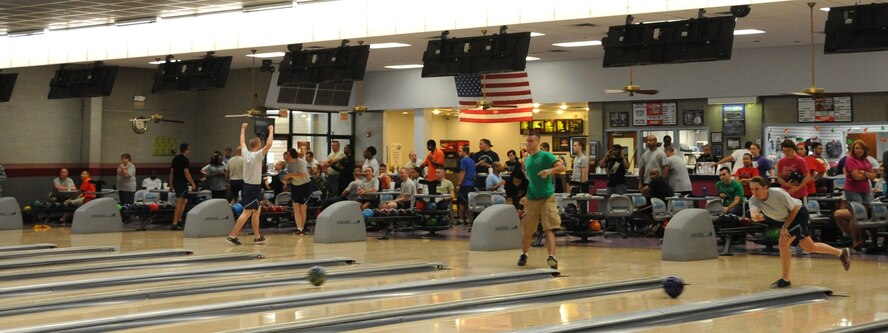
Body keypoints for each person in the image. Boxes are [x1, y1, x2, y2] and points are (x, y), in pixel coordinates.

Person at [747, 176, 850, 288]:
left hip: (799, 214)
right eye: (752, 189)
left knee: (783, 243)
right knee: (809, 247)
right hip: (785, 220)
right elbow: (754, 213)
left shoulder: (778, 193)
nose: (754, 192)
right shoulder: (753, 200)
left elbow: (795, 208)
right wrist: (756, 216)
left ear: (765, 187)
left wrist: (785, 227)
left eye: (757, 189)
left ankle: (785, 279)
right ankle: (841, 252)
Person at [518, 133, 566, 269]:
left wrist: (549, 170)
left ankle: (552, 257)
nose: (529, 143)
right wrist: (526, 196)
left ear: (538, 141)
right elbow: (531, 181)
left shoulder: (546, 156)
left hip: (547, 197)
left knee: (548, 227)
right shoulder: (526, 160)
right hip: (532, 198)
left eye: (531, 141)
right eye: (527, 141)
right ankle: (524, 254)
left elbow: (563, 168)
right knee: (528, 230)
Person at [226, 123, 273, 245]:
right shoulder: (257, 155)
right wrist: (271, 130)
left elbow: (242, 142)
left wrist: (242, 129)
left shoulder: (245, 153)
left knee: (257, 211)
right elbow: (269, 144)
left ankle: (257, 236)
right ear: (258, 145)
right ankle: (232, 235)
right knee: (247, 212)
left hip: (248, 186)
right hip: (253, 187)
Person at [833, 140, 877, 250]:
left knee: (864, 215)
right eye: (856, 148)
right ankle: (855, 241)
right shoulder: (850, 160)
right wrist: (866, 174)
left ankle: (863, 240)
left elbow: (873, 176)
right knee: (856, 215)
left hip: (865, 190)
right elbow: (856, 177)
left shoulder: (866, 160)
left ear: (864, 150)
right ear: (853, 149)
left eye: (861, 148)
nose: (858, 150)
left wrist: (864, 173)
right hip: (852, 190)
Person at [282, 147, 312, 235]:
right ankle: (299, 228)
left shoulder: (301, 162)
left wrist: (290, 175)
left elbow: (302, 175)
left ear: (291, 155)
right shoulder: (288, 165)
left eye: (287, 154)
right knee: (296, 209)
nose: (285, 156)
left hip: (305, 186)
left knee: (303, 209)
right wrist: (286, 182)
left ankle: (302, 228)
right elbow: (289, 177)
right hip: (295, 187)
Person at [170, 143, 197, 231]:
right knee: (179, 201)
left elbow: (171, 172)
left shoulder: (175, 159)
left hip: (176, 182)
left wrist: (171, 184)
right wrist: (192, 183)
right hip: (181, 182)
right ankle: (174, 223)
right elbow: (186, 172)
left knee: (184, 201)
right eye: (189, 149)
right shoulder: (185, 160)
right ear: (186, 150)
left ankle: (179, 219)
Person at [456, 145, 476, 224]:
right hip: (471, 184)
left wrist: (459, 184)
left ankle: (461, 219)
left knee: (461, 202)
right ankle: (469, 219)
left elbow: (462, 172)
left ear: (464, 152)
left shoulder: (463, 160)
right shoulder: (472, 160)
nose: (459, 153)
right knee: (469, 202)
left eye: (460, 151)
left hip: (465, 184)